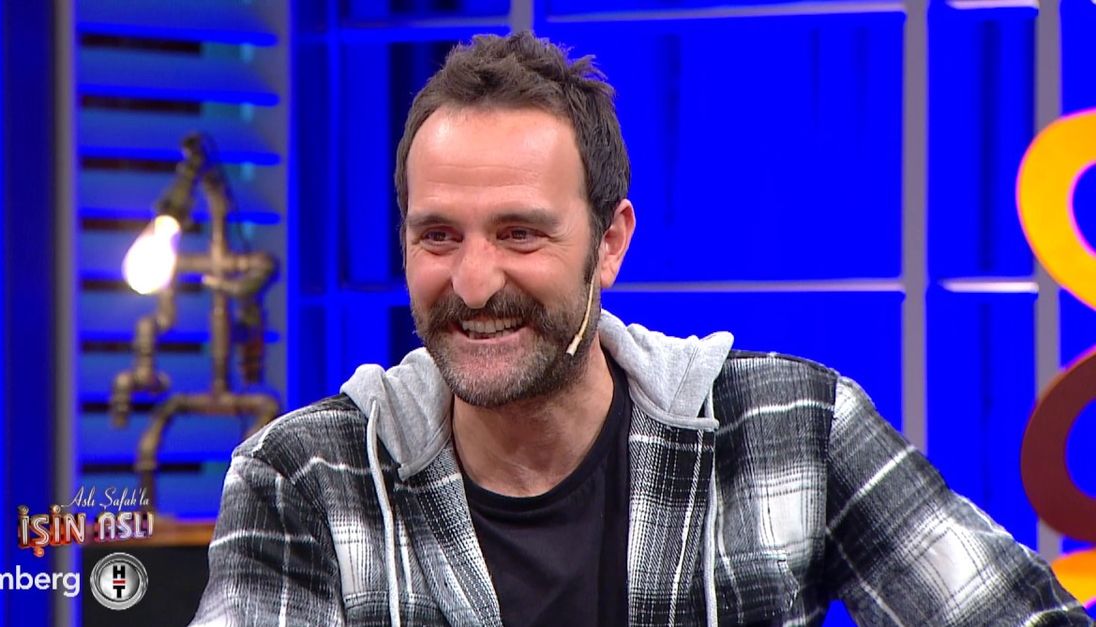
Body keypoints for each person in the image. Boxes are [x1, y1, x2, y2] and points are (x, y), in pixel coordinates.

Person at [192, 32, 1090, 626]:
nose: (472, 281)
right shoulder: (304, 476)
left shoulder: (792, 426)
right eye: (439, 236)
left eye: (520, 233)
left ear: (610, 242)